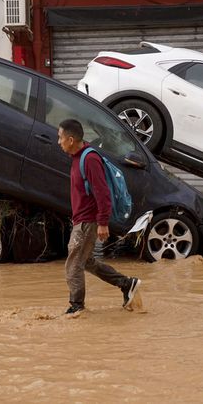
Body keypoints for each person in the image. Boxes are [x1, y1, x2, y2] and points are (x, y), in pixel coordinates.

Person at [57, 119, 141, 315]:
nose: (58, 142)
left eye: (60, 138)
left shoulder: (90, 159)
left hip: (88, 222)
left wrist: (103, 223)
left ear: (70, 139)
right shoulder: (77, 158)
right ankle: (127, 284)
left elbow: (102, 193)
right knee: (85, 262)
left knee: (73, 264)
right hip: (81, 220)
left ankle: (76, 307)